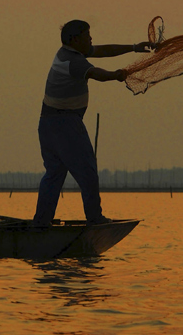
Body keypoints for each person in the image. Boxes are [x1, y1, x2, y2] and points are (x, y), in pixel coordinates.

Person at [33, 20, 154, 226]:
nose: (90, 39)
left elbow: (103, 50)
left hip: (46, 124)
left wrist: (134, 48)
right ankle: (95, 219)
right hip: (65, 124)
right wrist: (116, 75)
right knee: (87, 171)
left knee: (54, 174)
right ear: (74, 39)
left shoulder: (67, 53)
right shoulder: (74, 62)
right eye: (87, 35)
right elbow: (97, 73)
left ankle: (41, 222)